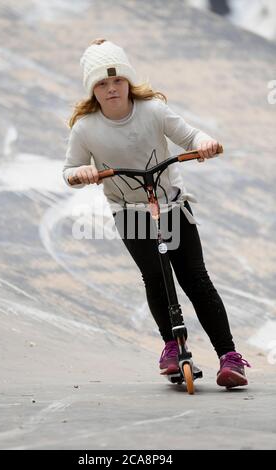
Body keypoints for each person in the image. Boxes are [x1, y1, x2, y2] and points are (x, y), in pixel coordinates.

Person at [63, 38, 250, 388]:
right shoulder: (86, 128)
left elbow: (192, 136)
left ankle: (229, 356)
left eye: (117, 80)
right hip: (131, 211)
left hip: (173, 205)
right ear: (92, 90)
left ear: (128, 81)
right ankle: (171, 346)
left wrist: (204, 145)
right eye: (101, 84)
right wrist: (80, 174)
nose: (111, 89)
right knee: (156, 277)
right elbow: (69, 169)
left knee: (195, 278)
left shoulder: (153, 111)